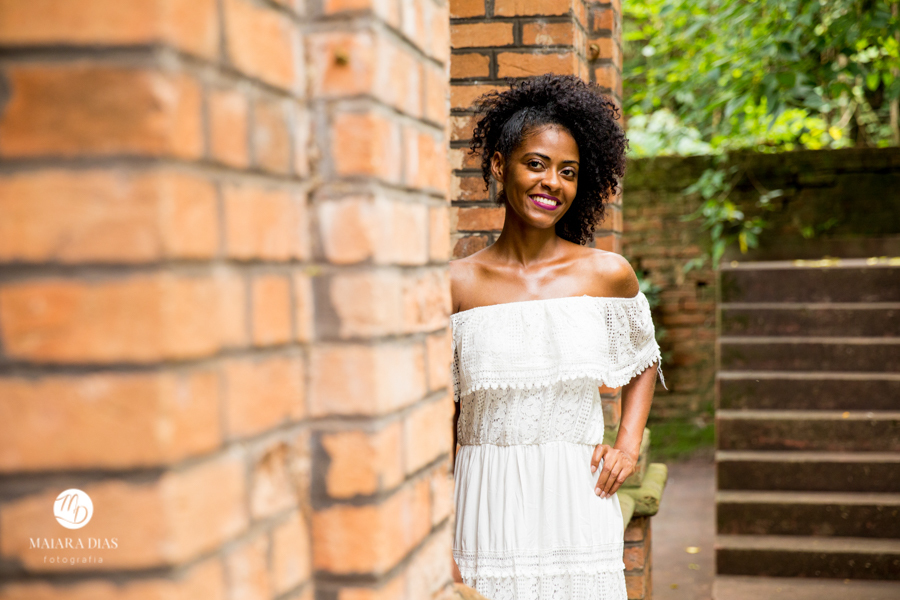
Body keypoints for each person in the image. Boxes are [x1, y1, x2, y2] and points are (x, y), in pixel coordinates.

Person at [449, 73, 664, 600]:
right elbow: (442, 417)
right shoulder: (456, 285)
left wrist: (627, 447)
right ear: (501, 165)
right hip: (484, 498)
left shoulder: (606, 274)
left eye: (568, 172)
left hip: (576, 495)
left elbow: (644, 359)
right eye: (536, 164)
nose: (553, 183)